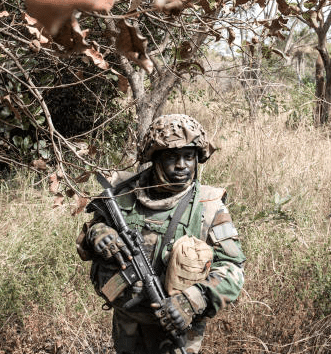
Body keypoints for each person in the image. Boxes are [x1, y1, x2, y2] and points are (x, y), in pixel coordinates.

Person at [76, 114, 246, 354]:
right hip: (128, 325)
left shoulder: (208, 206)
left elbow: (233, 269)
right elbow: (88, 237)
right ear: (155, 159)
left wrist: (190, 301)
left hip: (176, 330)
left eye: (189, 157)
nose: (182, 166)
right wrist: (100, 233)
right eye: (171, 157)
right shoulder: (124, 196)